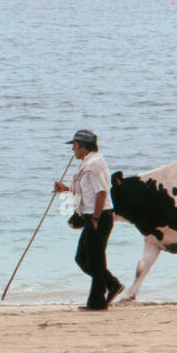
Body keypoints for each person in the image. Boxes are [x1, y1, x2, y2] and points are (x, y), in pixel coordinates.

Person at [53, 130, 123, 310]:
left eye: (74, 146)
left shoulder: (92, 167)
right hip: (95, 217)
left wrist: (95, 218)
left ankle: (97, 302)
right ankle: (112, 285)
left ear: (83, 148)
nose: (73, 150)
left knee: (94, 261)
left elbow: (101, 193)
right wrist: (65, 189)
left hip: (99, 217)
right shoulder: (90, 162)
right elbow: (88, 192)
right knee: (83, 258)